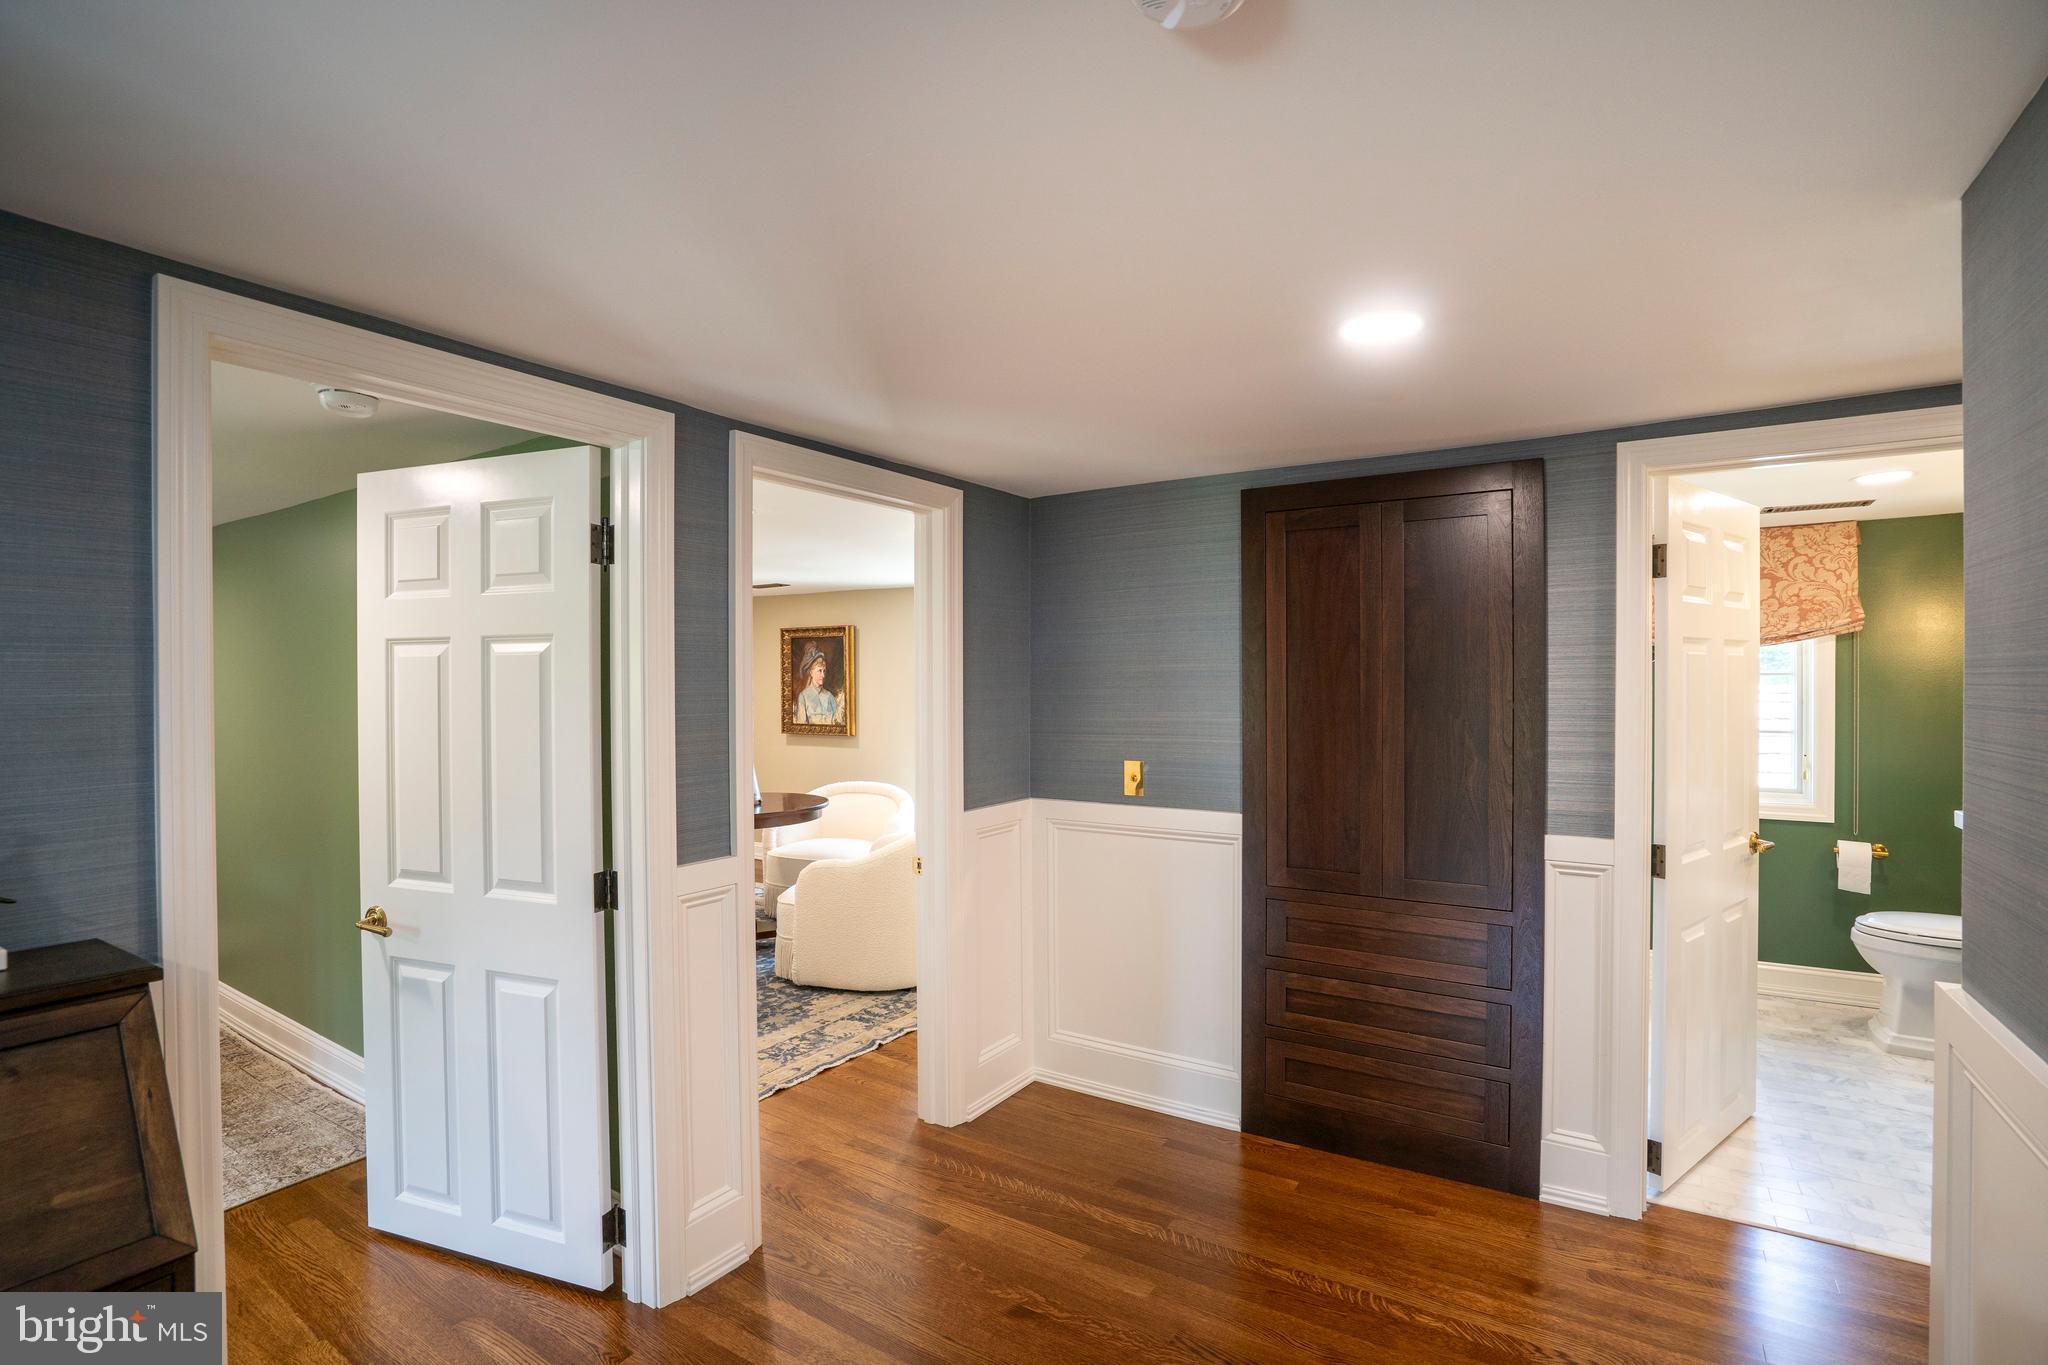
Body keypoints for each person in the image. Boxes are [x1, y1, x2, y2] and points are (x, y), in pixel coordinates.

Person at [792, 647, 842, 725]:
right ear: (811, 673)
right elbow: (801, 725)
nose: (823, 675)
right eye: (819, 671)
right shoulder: (803, 697)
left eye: (824, 671)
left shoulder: (830, 697)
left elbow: (839, 723)